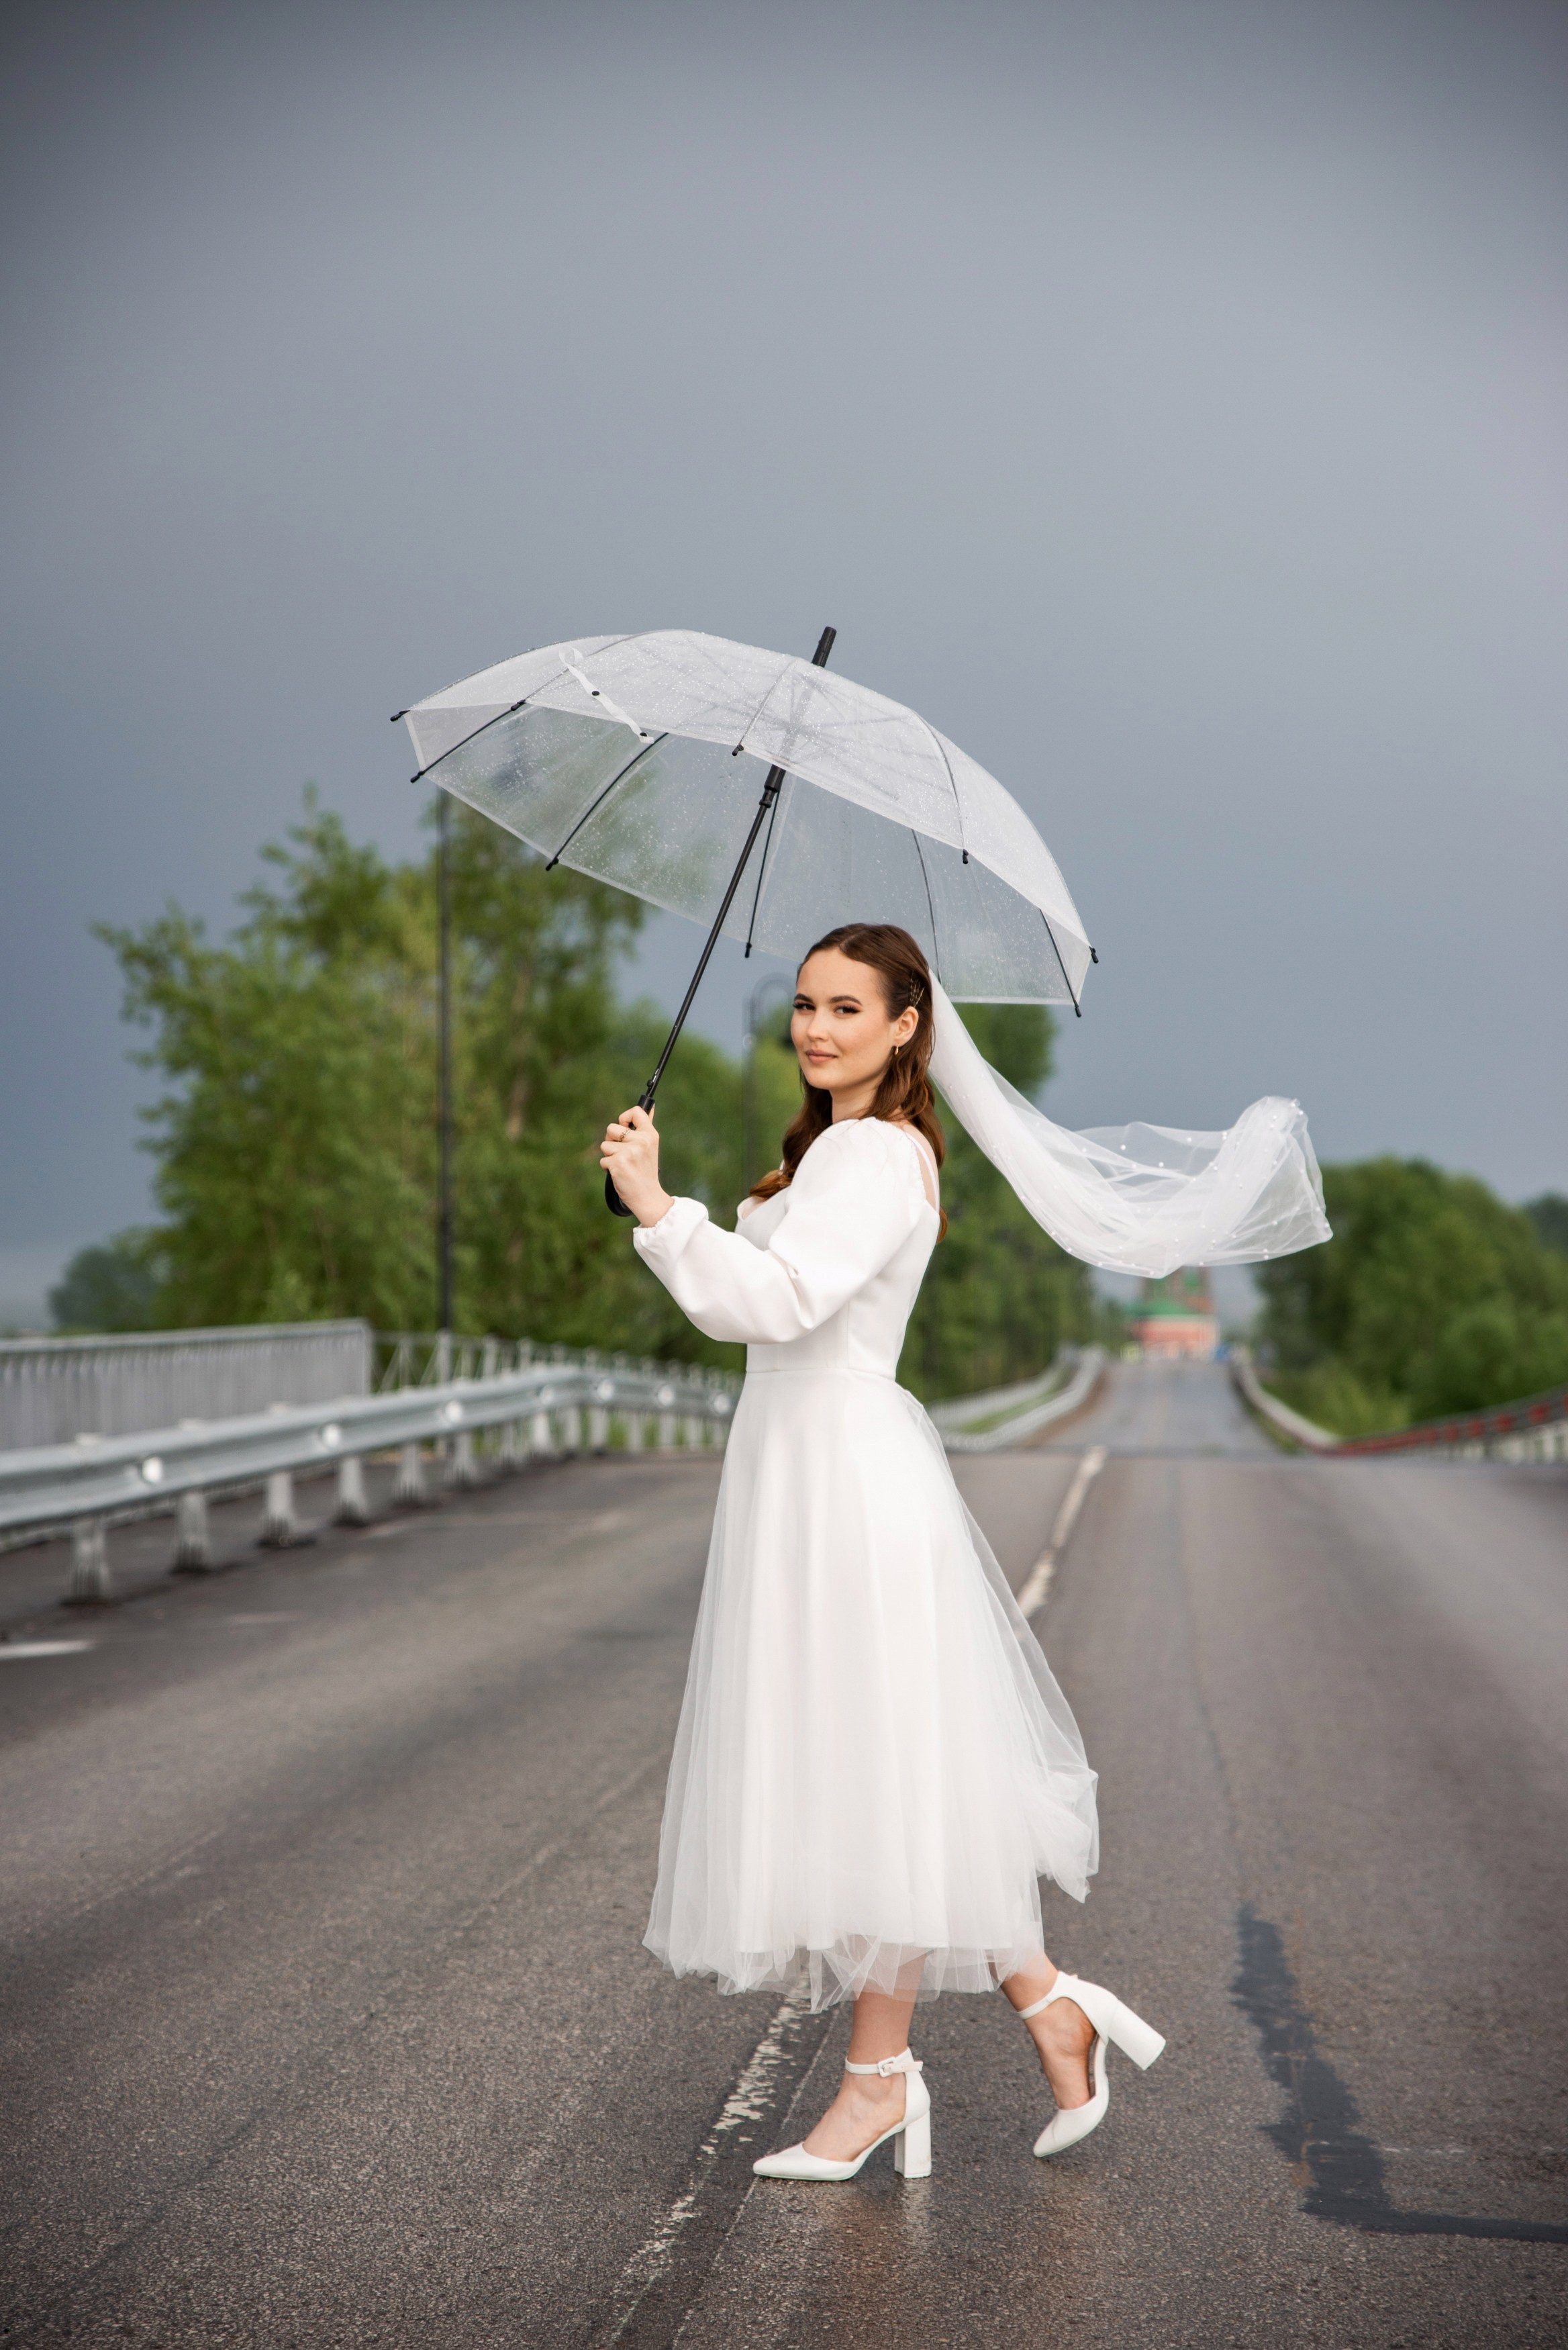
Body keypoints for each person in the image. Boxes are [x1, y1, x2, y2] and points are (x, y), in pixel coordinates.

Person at [599, 922, 1165, 2182]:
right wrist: (678, 1211)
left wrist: (656, 1208)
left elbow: (779, 1305)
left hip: (839, 1475)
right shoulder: (841, 1154)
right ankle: (1049, 2014)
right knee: (890, 1774)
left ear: (907, 1027)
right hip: (810, 1462)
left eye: (849, 1009)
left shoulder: (867, 1150)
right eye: (805, 1004)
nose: (816, 1028)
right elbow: (772, 1286)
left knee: (872, 1774)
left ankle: (877, 2084)